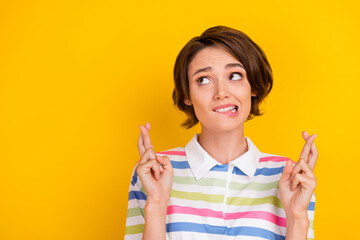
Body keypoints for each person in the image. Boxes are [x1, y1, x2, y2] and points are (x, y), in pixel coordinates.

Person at [125, 26, 318, 240]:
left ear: (252, 86)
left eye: (234, 76)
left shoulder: (288, 176)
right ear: (187, 95)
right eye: (204, 80)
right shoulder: (153, 172)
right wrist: (157, 204)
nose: (221, 93)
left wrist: (297, 216)